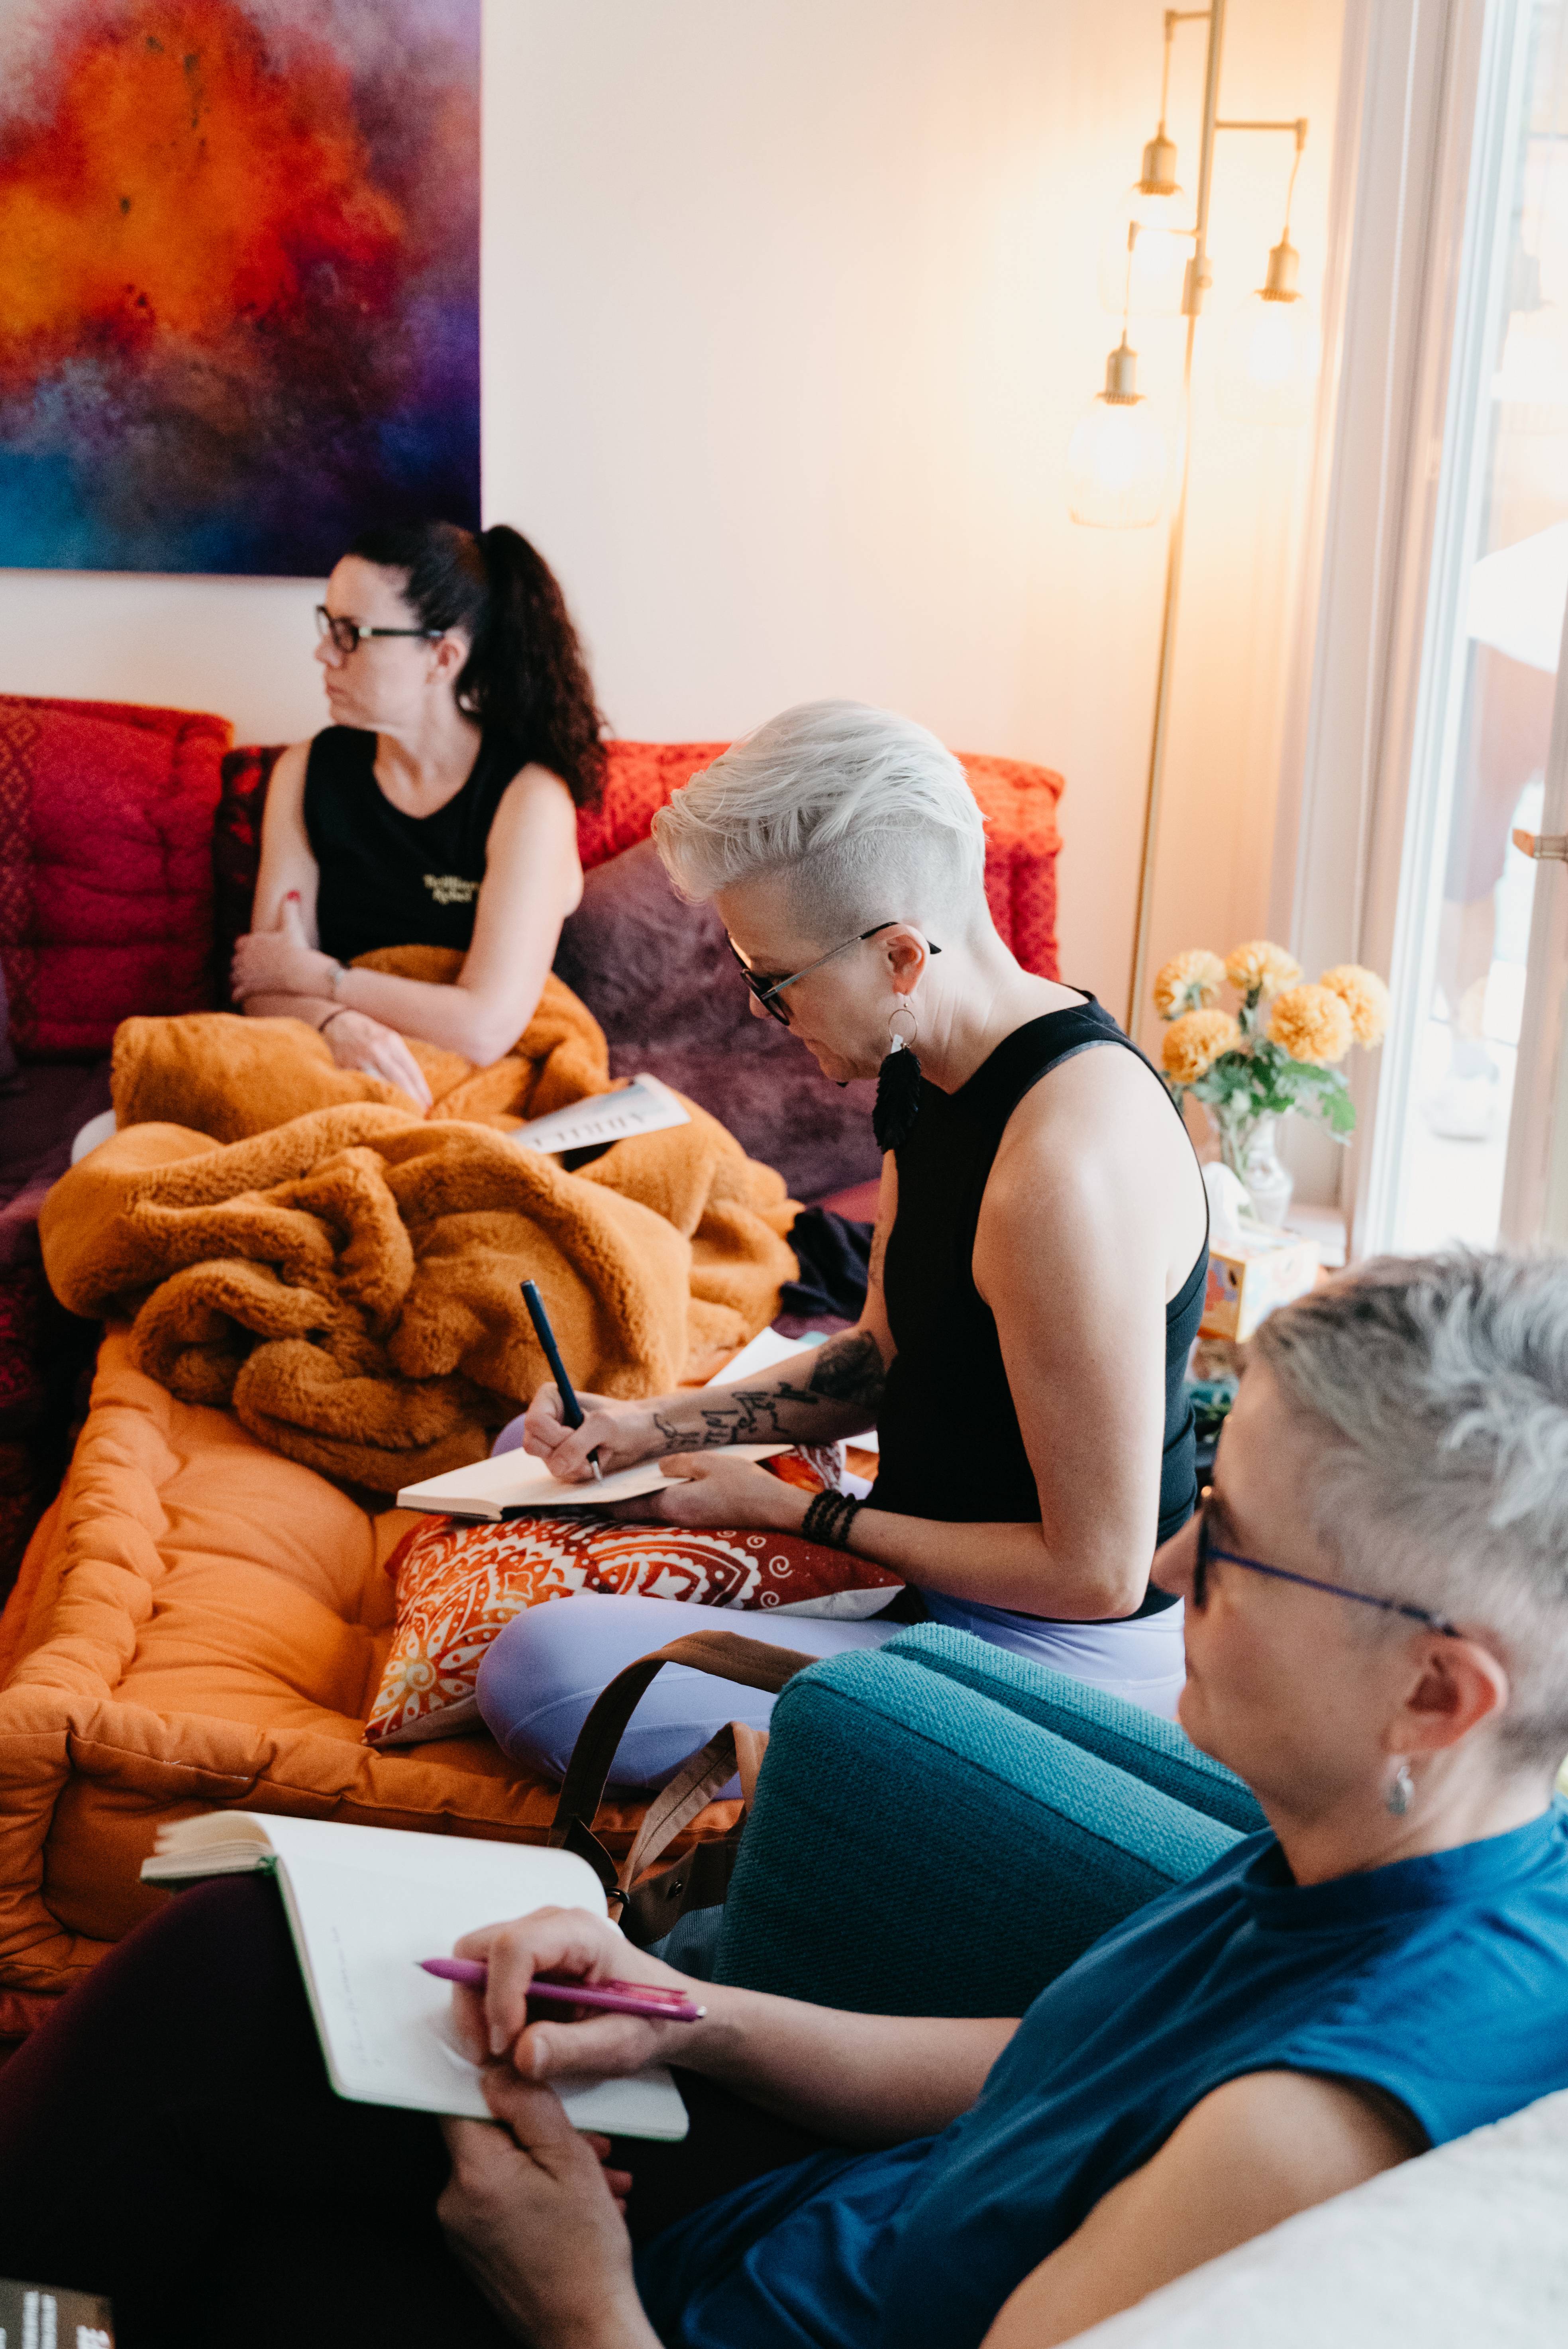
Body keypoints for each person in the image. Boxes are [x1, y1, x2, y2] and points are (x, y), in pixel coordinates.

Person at [4, 1250, 1568, 2348]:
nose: (1162, 1572)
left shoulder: (1301, 2151)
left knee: (213, 2260)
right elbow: (1069, 2066)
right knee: (237, 1974)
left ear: (1441, 1691)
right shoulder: (1432, 1839)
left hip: (662, 2318)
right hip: (791, 2226)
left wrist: (576, 2303)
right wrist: (687, 2010)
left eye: (1224, 1542)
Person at [478, 698, 1209, 1776]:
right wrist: (656, 1427)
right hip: (958, 1589)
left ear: (902, 956)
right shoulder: (933, 1073)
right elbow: (882, 1358)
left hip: (1059, 1658)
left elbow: (1098, 1570)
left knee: (542, 1670)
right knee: (534, 1456)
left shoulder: (1059, 1174)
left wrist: (796, 1514)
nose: (766, 1018)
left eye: (773, 984)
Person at [230, 520, 603, 1107]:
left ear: (442, 657)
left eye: (351, 633)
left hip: (473, 1078)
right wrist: (337, 1025)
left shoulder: (528, 797)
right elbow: (261, 986)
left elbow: (485, 1027)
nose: (323, 653)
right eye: (328, 625)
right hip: (332, 1060)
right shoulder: (305, 772)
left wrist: (318, 978)